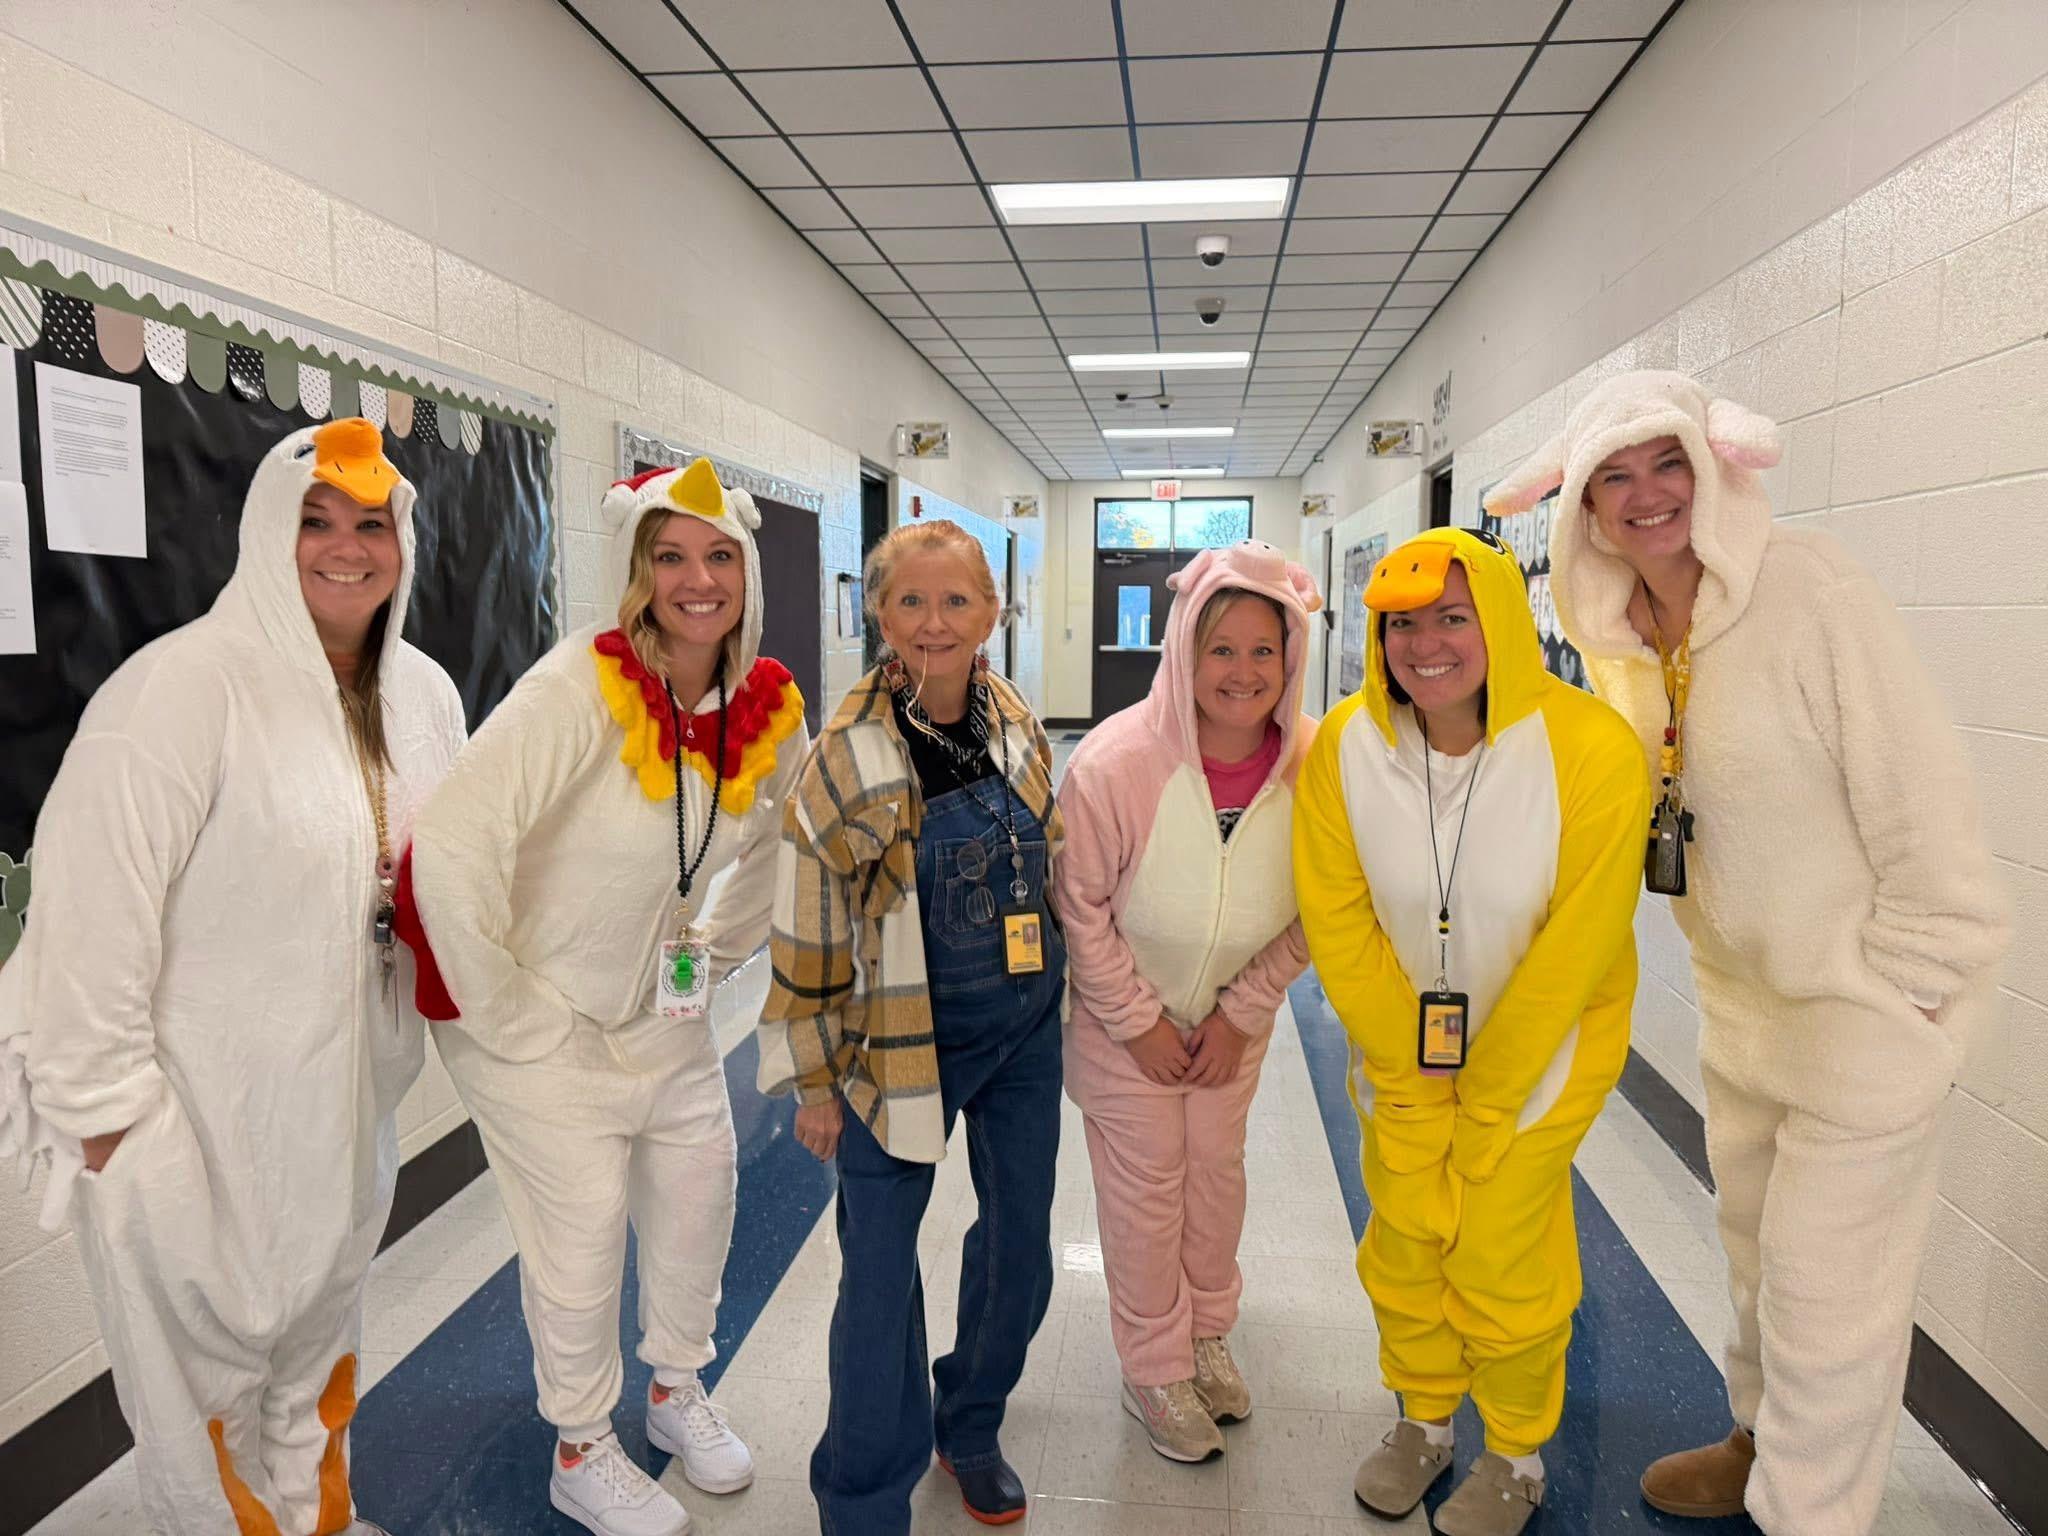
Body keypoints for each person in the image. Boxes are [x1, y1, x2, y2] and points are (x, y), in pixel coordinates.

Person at [1491, 370, 2010, 1536]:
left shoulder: (1810, 590)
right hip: (1742, 1009)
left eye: (1665, 462)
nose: (1646, 495)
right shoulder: (1621, 641)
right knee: (1754, 1257)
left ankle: (1807, 1513)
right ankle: (1756, 1442)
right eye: (1613, 476)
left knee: (1830, 1297)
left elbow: (1923, 804)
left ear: (1712, 466)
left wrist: (1906, 997)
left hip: (1860, 1013)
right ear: (1581, 508)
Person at [0, 419, 466, 1535]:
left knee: (316, 1368)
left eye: (371, 523)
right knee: (204, 1417)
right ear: (265, 529)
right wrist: (115, 1131)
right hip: (191, 1134)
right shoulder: (179, 692)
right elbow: (89, 923)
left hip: (342, 1125)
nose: (345, 548)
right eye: (315, 519)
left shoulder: (424, 698)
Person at [409, 457, 808, 1536]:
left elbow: (782, 839)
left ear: (747, 571)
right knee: (580, 1236)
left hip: (656, 1013)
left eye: (718, 556)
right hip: (535, 1018)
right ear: (637, 571)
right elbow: (452, 844)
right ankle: (580, 1449)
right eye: (669, 557)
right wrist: (509, 1011)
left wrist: (713, 954)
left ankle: (675, 1388)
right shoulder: (577, 688)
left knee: (700, 1189)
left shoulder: (764, 710)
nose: (696, 580)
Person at [1294, 528, 1649, 1536]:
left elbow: (1580, 944)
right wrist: (1408, 1066)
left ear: (1498, 617)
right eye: (1401, 625)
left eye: (1452, 617)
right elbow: (1338, 917)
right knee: (1404, 1243)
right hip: (1398, 1065)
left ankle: (1516, 1452)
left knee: (1503, 1254)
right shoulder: (1346, 750)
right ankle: (1424, 1421)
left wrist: (1490, 1087)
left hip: (1543, 1061)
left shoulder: (1590, 749)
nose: (1425, 645)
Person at [757, 518, 1064, 1533]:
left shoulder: (1011, 715)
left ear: (992, 612)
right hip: (893, 1043)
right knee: (878, 1282)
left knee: (1020, 1249)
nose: (935, 622)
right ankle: (859, 1497)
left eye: (957, 600)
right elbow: (808, 924)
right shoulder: (843, 760)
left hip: (1023, 1030)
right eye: (911, 602)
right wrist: (813, 1078)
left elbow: (1052, 850)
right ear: (879, 615)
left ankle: (967, 1422)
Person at [1053, 540, 1320, 1464]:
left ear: (1291, 656)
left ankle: (1206, 1332)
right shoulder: (1116, 762)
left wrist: (1246, 1009)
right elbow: (1079, 904)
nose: (1243, 672)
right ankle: (1154, 1368)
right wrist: (1137, 1022)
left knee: (1214, 1179)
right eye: (1221, 649)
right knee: (1147, 1196)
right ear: (1183, 651)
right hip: (1122, 1034)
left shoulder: (1315, 765)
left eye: (1264, 650)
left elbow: (1326, 905)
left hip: (1228, 1033)